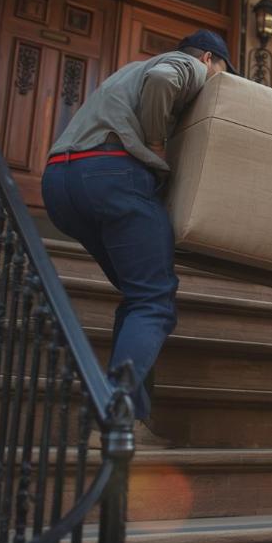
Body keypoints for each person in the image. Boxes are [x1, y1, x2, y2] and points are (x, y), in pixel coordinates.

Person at [41, 30, 235, 447]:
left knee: (139, 294)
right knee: (154, 300)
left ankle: (134, 419)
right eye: (221, 72)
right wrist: (156, 143)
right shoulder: (186, 66)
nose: (219, 82)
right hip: (113, 175)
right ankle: (114, 417)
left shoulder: (129, 70)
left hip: (60, 180)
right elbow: (166, 81)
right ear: (207, 58)